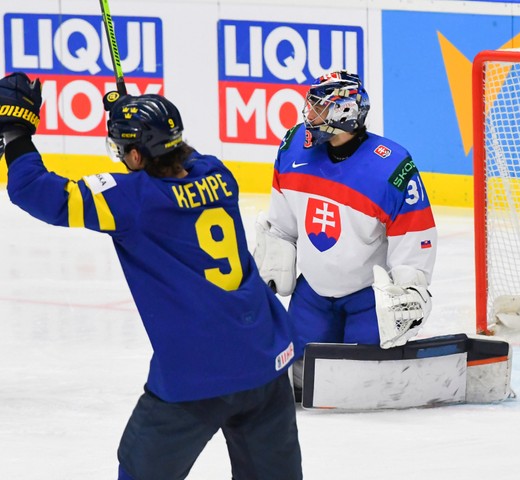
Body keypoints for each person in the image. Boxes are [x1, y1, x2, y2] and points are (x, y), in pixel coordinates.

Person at [0, 72, 303, 480]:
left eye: (124, 149)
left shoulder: (130, 202)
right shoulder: (219, 174)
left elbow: (33, 189)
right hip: (267, 359)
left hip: (198, 373)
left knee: (140, 471)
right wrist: (136, 124)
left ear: (138, 157)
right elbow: (178, 159)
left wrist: (15, 131)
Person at [255, 70, 437, 374]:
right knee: (295, 376)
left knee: (365, 376)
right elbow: (282, 222)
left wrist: (409, 288)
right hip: (311, 294)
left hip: (367, 299)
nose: (308, 114)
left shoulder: (391, 166)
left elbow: (413, 233)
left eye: (319, 107)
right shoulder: (293, 146)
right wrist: (275, 260)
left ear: (345, 112)